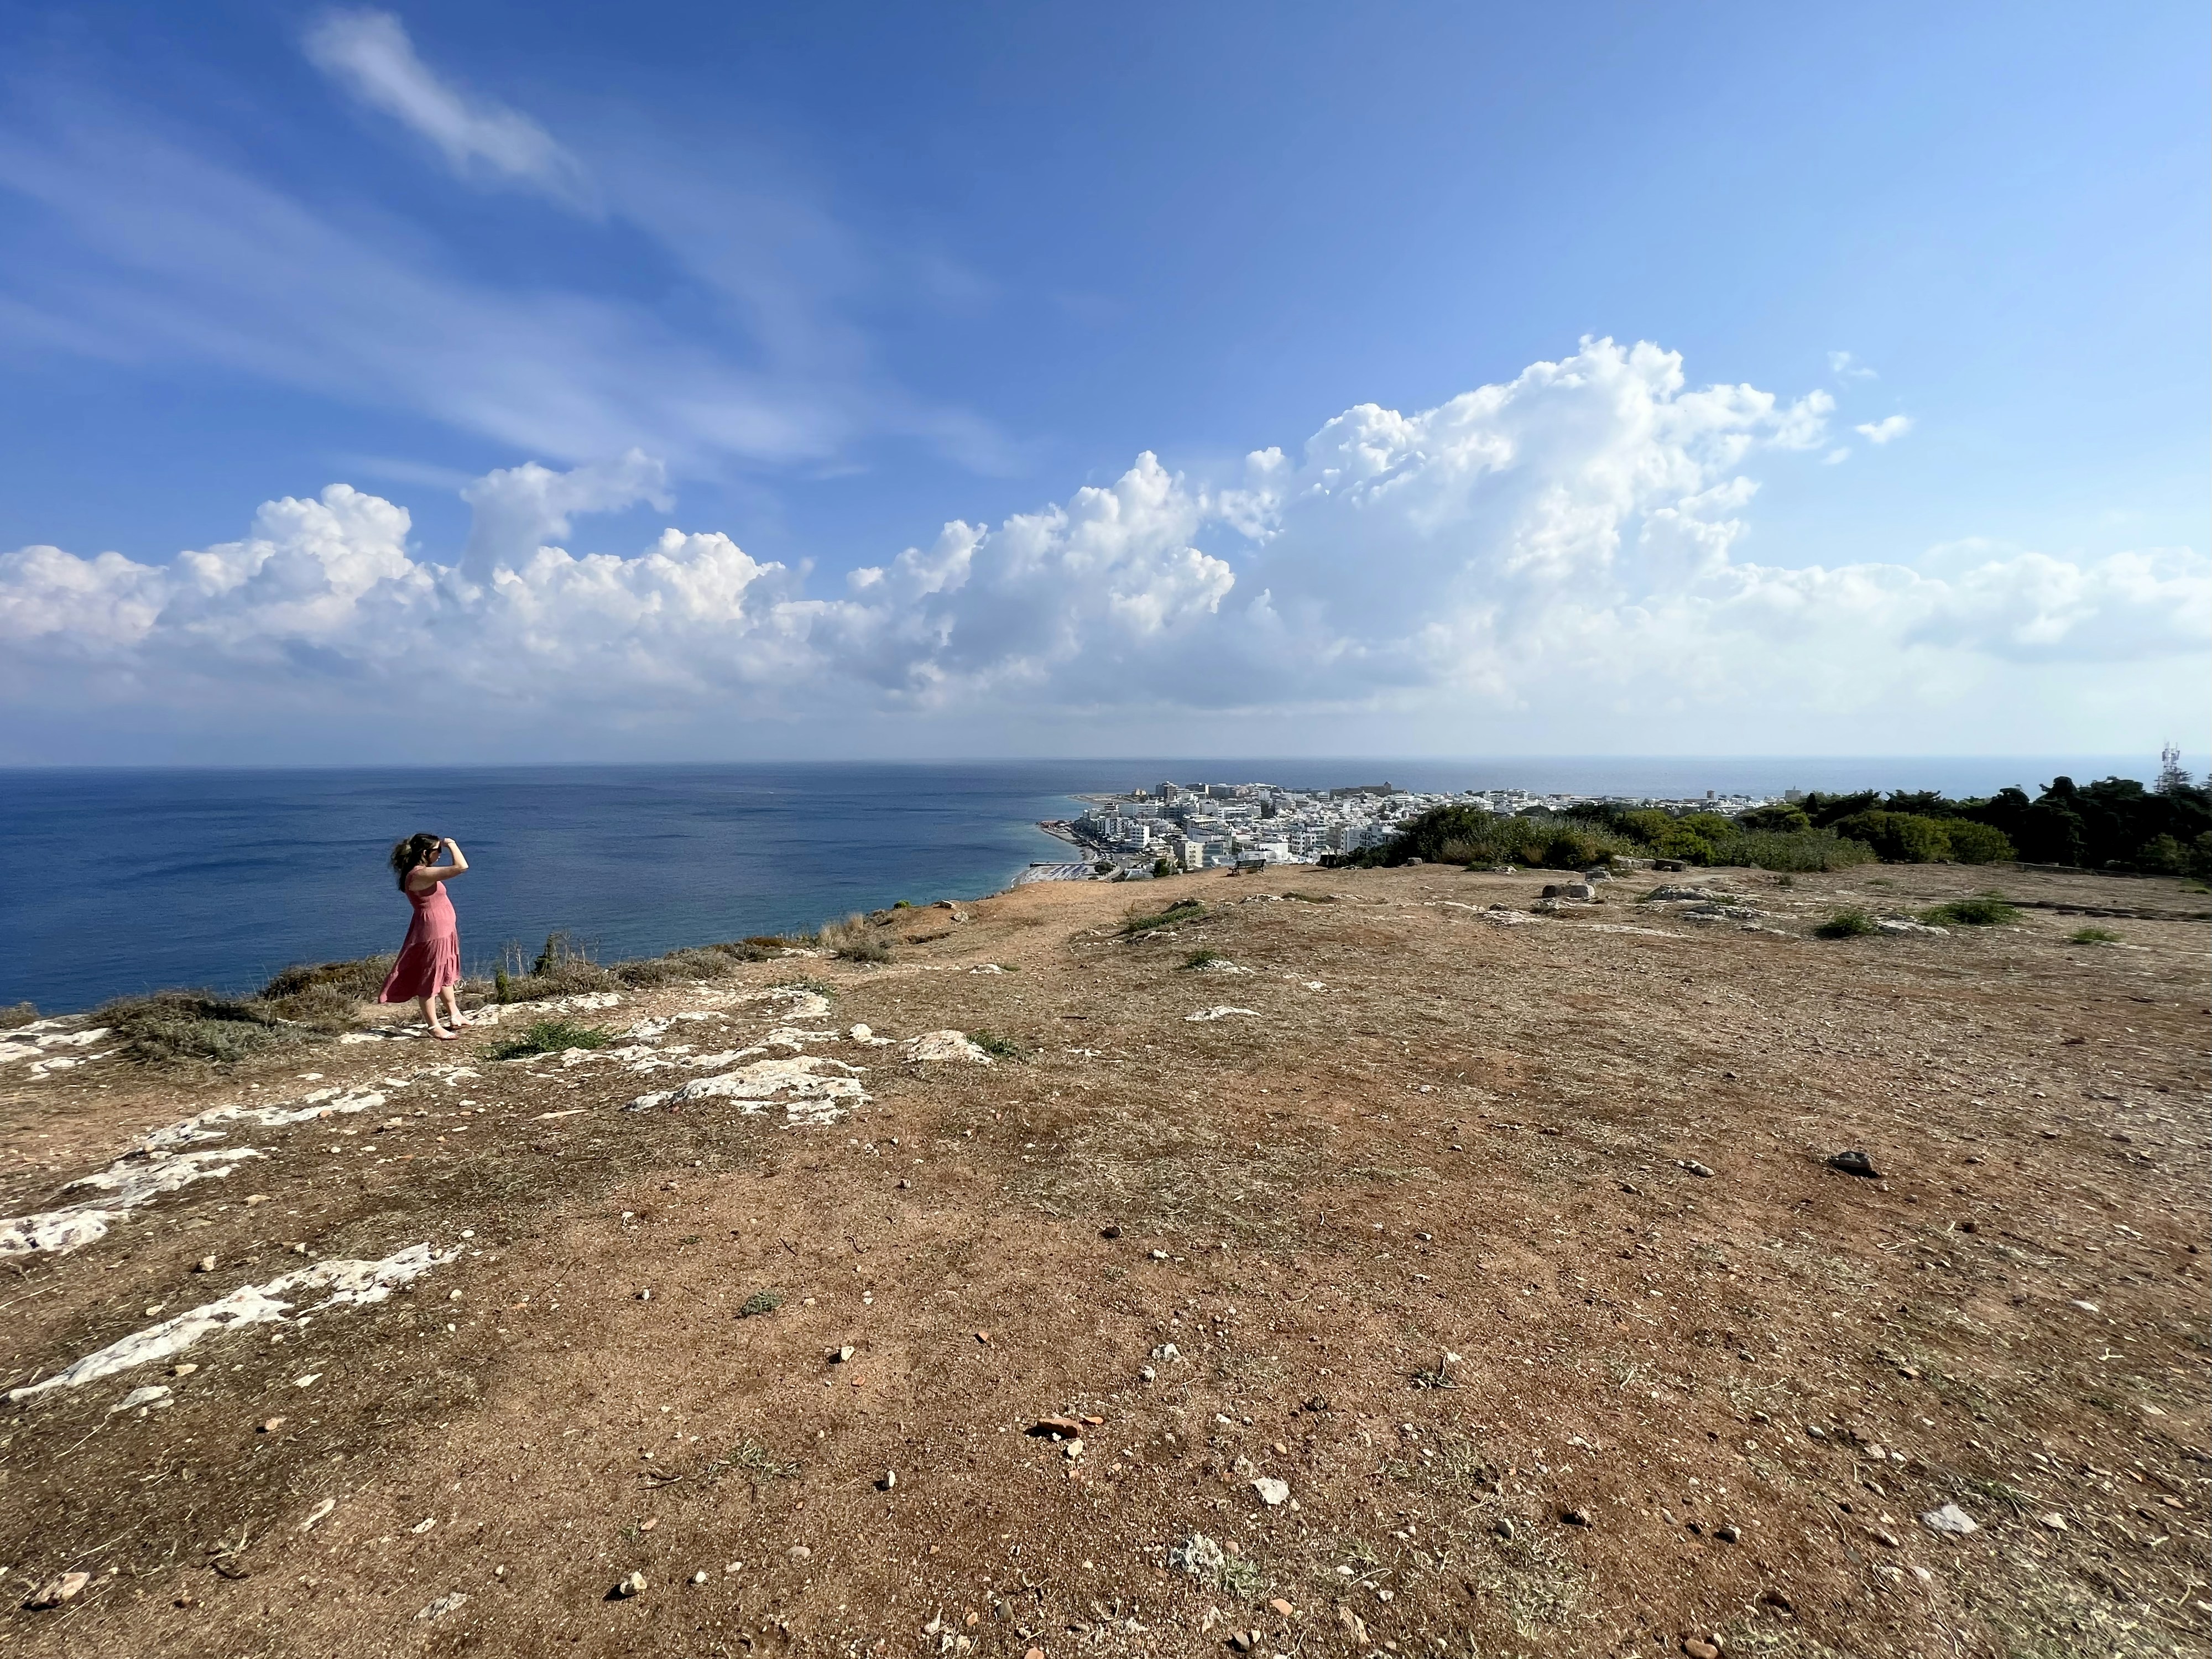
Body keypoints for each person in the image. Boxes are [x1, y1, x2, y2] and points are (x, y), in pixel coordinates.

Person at [378, 833, 471, 1039]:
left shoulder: (423, 873)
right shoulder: (418, 875)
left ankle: (455, 1014)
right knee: (430, 977)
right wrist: (452, 844)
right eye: (438, 851)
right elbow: (461, 867)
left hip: (443, 929)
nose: (440, 854)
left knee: (445, 972)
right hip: (433, 931)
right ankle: (433, 1026)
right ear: (425, 853)